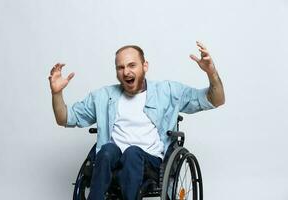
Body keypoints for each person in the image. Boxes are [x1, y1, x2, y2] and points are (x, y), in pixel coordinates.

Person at [49, 41, 225, 200]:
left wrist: (211, 72)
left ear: (145, 66)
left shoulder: (167, 91)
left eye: (132, 65)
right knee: (107, 149)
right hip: (113, 164)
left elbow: (215, 100)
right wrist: (57, 93)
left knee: (133, 152)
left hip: (150, 164)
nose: (126, 72)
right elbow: (65, 118)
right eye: (121, 67)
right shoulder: (103, 97)